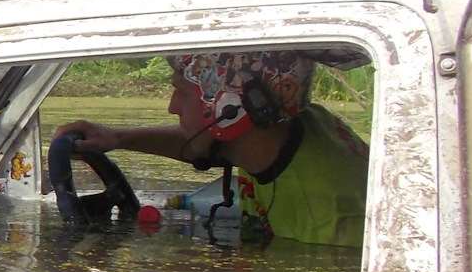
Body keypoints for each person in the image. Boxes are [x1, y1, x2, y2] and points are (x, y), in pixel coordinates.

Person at [54, 50, 369, 247]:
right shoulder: (285, 131)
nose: (171, 107)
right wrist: (118, 140)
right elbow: (203, 146)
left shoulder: (330, 223)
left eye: (181, 92)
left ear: (229, 107)